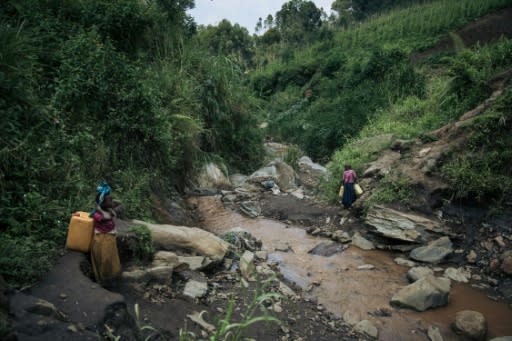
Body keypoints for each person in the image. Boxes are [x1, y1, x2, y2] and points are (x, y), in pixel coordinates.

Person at [90, 182, 121, 286]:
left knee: (111, 258)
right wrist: (104, 207)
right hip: (101, 238)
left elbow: (118, 203)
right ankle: (103, 280)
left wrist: (111, 201)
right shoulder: (96, 213)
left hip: (109, 237)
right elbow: (105, 218)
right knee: (104, 259)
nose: (112, 201)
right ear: (102, 203)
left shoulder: (108, 209)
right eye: (109, 200)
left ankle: (110, 278)